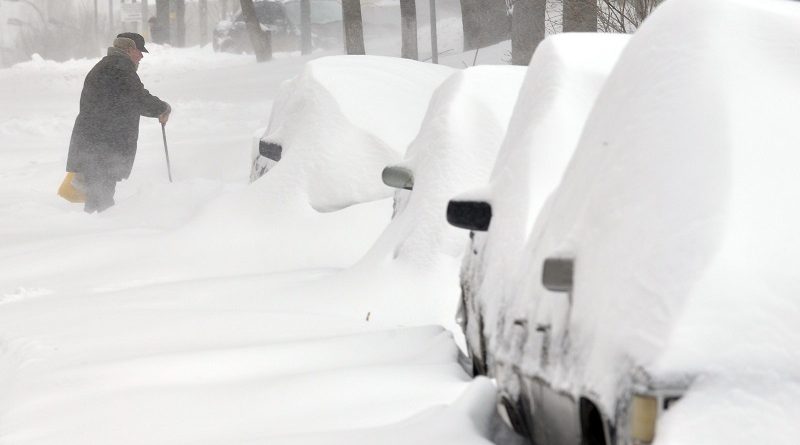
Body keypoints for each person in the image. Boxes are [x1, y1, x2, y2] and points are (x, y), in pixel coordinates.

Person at [66, 32, 171, 213]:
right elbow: (138, 98)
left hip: (94, 143)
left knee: (96, 198)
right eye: (140, 51)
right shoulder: (119, 68)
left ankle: (96, 231)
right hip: (104, 145)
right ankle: (103, 235)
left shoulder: (104, 66)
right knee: (103, 200)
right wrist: (162, 108)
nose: (141, 56)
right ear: (130, 49)